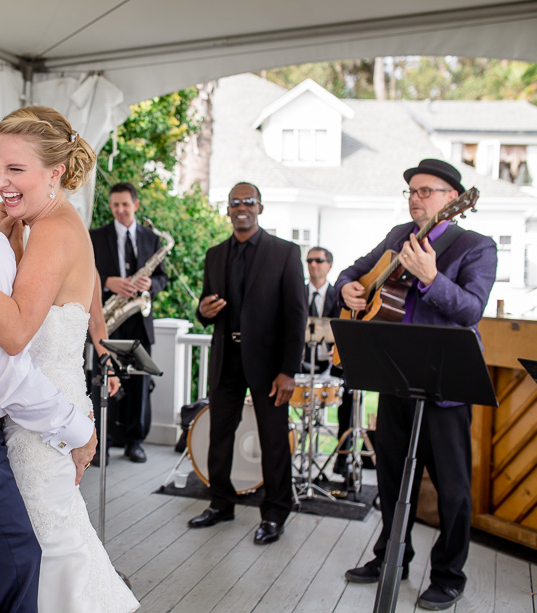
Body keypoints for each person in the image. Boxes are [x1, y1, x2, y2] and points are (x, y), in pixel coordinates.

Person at [0, 105, 140, 613]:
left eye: (17, 170)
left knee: (53, 556)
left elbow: (15, 332)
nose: (1, 181)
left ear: (55, 172)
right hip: (31, 413)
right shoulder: (35, 223)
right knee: (44, 555)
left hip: (41, 424)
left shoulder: (55, 228)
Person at [337, 159, 497, 611]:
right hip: (394, 376)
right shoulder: (395, 237)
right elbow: (353, 272)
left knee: (452, 488)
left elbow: (470, 310)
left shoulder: (476, 246)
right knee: (390, 479)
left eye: (426, 191)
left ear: (453, 199)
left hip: (445, 383)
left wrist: (431, 276)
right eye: (410, 190)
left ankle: (449, 575)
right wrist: (347, 287)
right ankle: (392, 557)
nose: (414, 197)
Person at [187, 182, 307, 545]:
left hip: (271, 366)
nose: (242, 207)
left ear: (260, 207)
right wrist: (201, 312)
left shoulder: (285, 252)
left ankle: (274, 513)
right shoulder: (214, 254)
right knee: (219, 436)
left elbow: (296, 315)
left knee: (273, 441)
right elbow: (208, 308)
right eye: (235, 202)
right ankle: (221, 504)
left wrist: (289, 370)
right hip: (227, 359)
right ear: (227, 210)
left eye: (248, 202)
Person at [88, 182, 168, 464]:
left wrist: (151, 285)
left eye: (125, 204)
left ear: (135, 204)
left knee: (138, 385)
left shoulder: (151, 238)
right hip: (109, 319)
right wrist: (108, 282)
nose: (120, 210)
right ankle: (103, 444)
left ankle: (135, 442)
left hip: (139, 321)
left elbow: (162, 278)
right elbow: (86, 271)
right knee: (104, 381)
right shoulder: (95, 237)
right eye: (115, 205)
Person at [302, 246, 354, 477]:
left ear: (329, 265)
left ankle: (343, 458)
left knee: (351, 397)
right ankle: (290, 449)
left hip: (333, 366)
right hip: (301, 363)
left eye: (319, 260)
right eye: (310, 260)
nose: (313, 265)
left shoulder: (341, 298)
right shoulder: (297, 294)